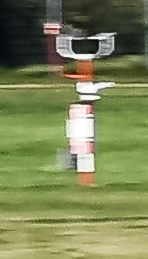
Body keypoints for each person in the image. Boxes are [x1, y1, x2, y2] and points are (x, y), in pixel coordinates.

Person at [45, 18, 115, 181]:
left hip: (82, 108)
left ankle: (75, 163)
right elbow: (82, 80)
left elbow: (84, 81)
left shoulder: (84, 82)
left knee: (83, 140)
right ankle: (74, 163)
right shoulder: (83, 84)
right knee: (81, 140)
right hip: (81, 109)